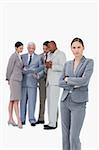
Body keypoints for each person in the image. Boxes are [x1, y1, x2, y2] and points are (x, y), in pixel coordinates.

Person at [59, 37, 94, 150]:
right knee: (65, 135)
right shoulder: (67, 64)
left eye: (79, 47)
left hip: (79, 103)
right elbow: (60, 82)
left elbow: (84, 81)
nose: (76, 50)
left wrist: (68, 79)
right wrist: (75, 81)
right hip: (64, 101)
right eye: (74, 47)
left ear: (83, 48)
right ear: (71, 49)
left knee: (74, 136)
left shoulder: (89, 62)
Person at [20, 42, 44, 126]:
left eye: (33, 48)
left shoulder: (38, 57)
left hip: (33, 83)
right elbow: (19, 67)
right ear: (27, 48)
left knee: (32, 102)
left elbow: (42, 69)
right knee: (22, 102)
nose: (31, 50)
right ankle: (22, 119)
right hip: (23, 83)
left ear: (35, 48)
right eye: (30, 48)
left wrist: (38, 75)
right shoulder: (22, 56)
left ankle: (32, 119)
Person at [44, 41, 66, 130]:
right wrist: (47, 65)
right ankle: (52, 121)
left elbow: (64, 67)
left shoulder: (61, 54)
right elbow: (48, 66)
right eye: (48, 46)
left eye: (50, 46)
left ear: (55, 45)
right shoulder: (49, 54)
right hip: (49, 82)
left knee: (53, 103)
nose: (49, 48)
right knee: (50, 103)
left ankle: (52, 124)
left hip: (56, 82)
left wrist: (52, 66)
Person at [6, 41, 24, 129]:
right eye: (20, 48)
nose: (22, 49)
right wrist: (8, 78)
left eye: (22, 48)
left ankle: (10, 119)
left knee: (12, 99)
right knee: (16, 100)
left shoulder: (19, 56)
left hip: (18, 80)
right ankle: (19, 120)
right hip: (14, 80)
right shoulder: (13, 56)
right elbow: (9, 67)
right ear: (16, 48)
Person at [36, 41, 50, 124]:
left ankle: (54, 120)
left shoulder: (53, 56)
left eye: (46, 48)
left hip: (50, 79)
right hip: (41, 80)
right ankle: (41, 118)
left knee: (52, 100)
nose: (45, 50)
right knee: (42, 99)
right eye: (43, 48)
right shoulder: (39, 56)